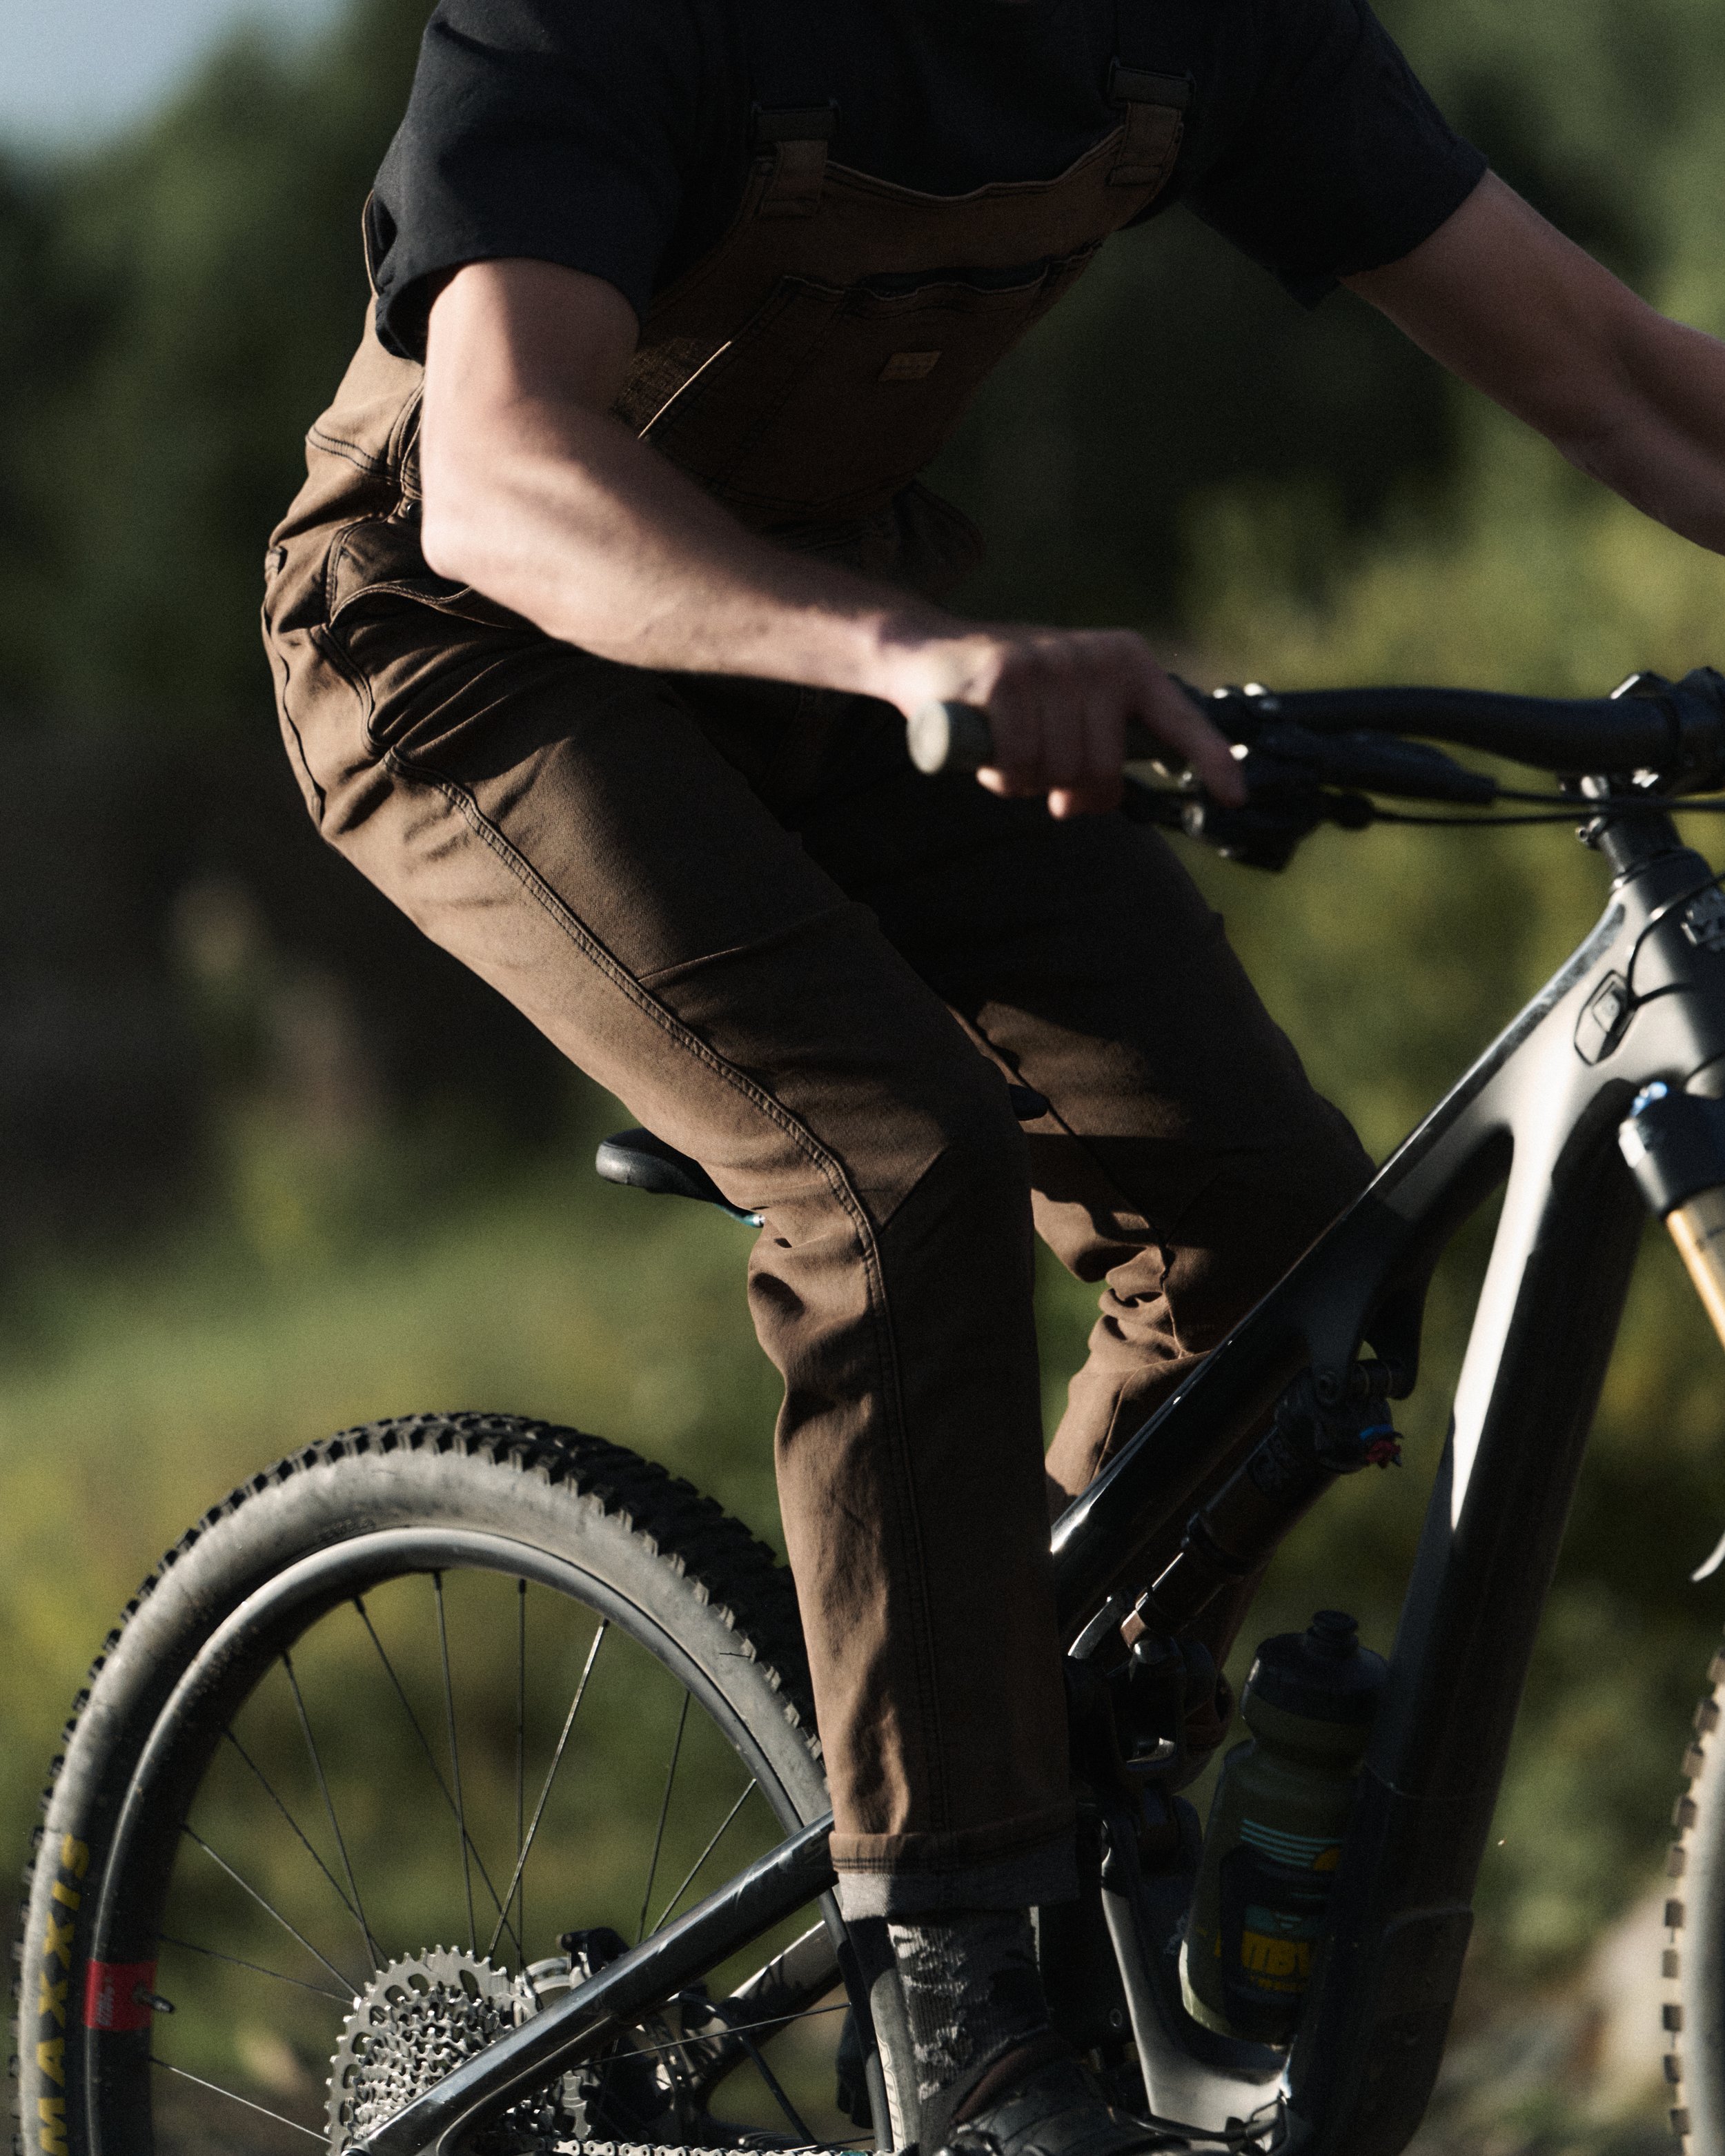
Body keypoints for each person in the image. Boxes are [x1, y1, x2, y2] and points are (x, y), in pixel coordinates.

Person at [260, 0, 1725, 2147]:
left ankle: (1031, 1738)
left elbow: (1608, 371)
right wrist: (903, 652)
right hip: (468, 648)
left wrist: (882, 648)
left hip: (827, 636)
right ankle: (953, 2013)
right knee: (888, 1167)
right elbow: (497, 469)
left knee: (1264, 1225)